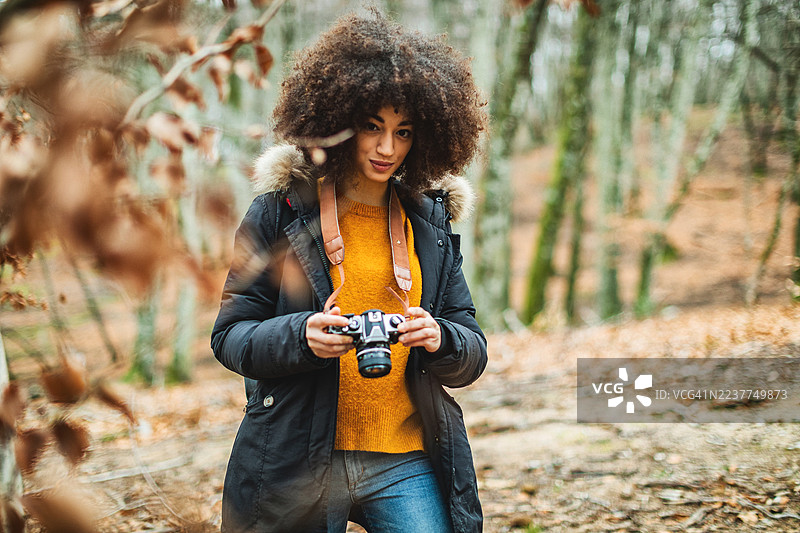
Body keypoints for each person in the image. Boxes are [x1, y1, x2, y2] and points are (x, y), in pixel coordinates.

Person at [211, 9, 487, 533]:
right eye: (372, 127)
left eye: (403, 132)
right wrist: (301, 335)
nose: (387, 148)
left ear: (425, 137)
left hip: (407, 458)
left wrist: (442, 338)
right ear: (337, 121)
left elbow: (472, 350)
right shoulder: (279, 212)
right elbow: (230, 337)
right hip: (301, 458)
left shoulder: (429, 223)